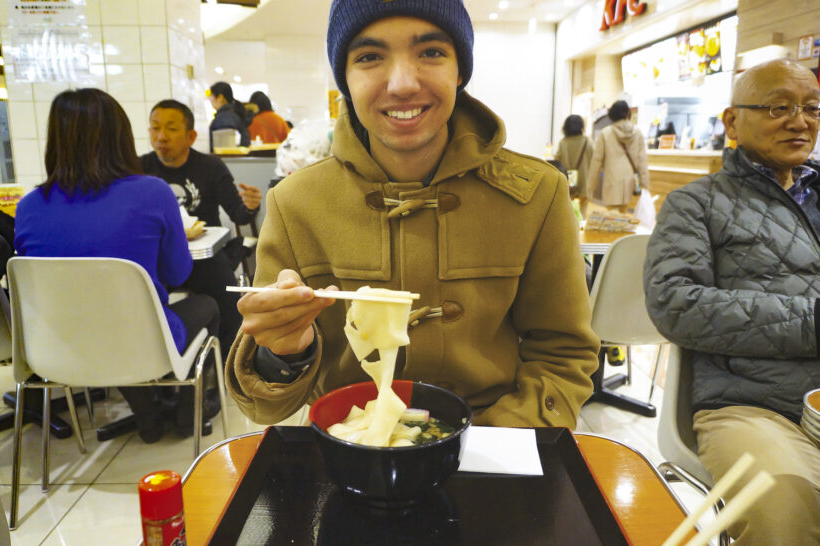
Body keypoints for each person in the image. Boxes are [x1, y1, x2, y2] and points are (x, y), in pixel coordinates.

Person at [225, 0, 599, 428]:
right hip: (353, 447)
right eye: (369, 57)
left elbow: (563, 354)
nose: (402, 83)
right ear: (344, 80)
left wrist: (486, 445)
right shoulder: (295, 203)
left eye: (431, 53)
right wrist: (284, 352)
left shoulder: (537, 194)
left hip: (495, 448)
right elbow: (265, 404)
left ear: (460, 71)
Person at [644, 59, 820, 544]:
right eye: (779, 107)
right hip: (752, 404)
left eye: (811, 108)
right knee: (781, 509)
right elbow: (675, 303)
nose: (799, 121)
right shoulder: (695, 203)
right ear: (732, 121)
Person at [14, 88, 220, 443]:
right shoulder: (153, 193)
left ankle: (149, 417)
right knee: (207, 305)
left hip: (56, 353)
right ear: (120, 136)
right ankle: (190, 415)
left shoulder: (30, 205)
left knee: (105, 322)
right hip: (142, 347)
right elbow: (177, 274)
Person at [141, 99, 262, 360]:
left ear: (191, 135)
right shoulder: (139, 169)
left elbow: (238, 214)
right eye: (155, 128)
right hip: (156, 259)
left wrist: (251, 205)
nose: (161, 136)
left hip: (204, 258)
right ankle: (158, 359)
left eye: (171, 129)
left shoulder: (210, 167)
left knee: (228, 297)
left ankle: (231, 360)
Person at [587, 100, 649, 213]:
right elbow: (642, 161)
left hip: (612, 180)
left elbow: (596, 161)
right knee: (623, 213)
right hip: (629, 182)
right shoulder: (637, 133)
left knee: (612, 216)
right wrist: (644, 184)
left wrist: (591, 185)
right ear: (627, 113)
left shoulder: (605, 133)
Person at [554, 114, 594, 217]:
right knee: (584, 205)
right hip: (584, 179)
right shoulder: (588, 141)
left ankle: (570, 228)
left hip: (568, 179)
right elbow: (594, 159)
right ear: (581, 127)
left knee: (568, 206)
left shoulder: (563, 143)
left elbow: (557, 160)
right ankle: (581, 226)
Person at [207, 81, 251, 151]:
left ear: (220, 97)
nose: (209, 98)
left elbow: (225, 151)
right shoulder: (232, 112)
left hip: (228, 161)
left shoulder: (225, 118)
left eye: (211, 95)